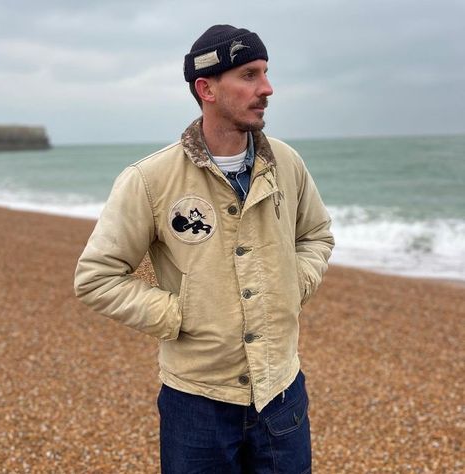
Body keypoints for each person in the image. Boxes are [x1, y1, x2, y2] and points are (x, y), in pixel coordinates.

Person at [74, 24, 334, 474]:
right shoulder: (150, 180)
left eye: (266, 73)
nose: (267, 88)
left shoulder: (287, 163)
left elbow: (316, 236)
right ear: (206, 88)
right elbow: (97, 277)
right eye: (249, 75)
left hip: (282, 392)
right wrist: (178, 315)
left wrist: (293, 285)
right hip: (197, 402)